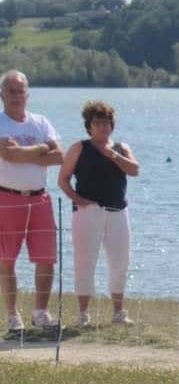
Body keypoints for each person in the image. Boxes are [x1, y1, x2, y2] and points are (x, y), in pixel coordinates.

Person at [56, 101, 140, 327]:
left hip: (117, 211)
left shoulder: (121, 148)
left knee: (120, 262)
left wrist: (113, 155)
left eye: (106, 123)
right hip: (88, 212)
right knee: (85, 262)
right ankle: (83, 314)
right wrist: (78, 199)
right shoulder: (79, 148)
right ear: (89, 125)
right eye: (98, 123)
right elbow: (63, 179)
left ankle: (118, 312)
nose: (103, 127)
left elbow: (134, 170)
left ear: (112, 126)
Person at [0, 70, 63, 333]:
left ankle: (40, 312)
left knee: (46, 257)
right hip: (7, 197)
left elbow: (59, 155)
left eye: (20, 91)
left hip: (40, 198)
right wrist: (40, 149)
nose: (17, 96)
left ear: (28, 94)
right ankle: (13, 316)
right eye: (11, 91)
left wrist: (24, 151)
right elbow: (8, 155)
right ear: (2, 94)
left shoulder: (41, 122)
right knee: (6, 260)